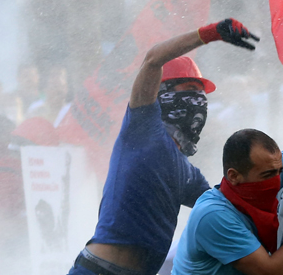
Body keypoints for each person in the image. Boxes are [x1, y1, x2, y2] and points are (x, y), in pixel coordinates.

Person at [67, 18, 260, 275]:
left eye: (201, 93)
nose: (199, 100)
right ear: (162, 91)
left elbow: (224, 207)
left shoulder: (188, 173)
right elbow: (153, 59)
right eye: (190, 88)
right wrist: (210, 33)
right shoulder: (142, 126)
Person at [171, 129, 283, 275]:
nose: (276, 182)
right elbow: (273, 271)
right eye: (268, 175)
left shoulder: (268, 168)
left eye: (279, 172)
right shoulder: (214, 216)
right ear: (234, 176)